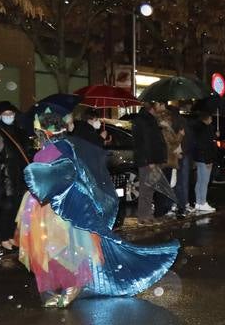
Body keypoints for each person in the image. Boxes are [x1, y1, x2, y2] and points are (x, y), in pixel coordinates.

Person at [17, 109, 179, 307]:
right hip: (43, 206)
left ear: (44, 132)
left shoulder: (61, 148)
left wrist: (40, 176)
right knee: (50, 248)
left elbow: (68, 173)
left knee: (65, 247)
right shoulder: (59, 147)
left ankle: (71, 284)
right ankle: (56, 287)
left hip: (64, 205)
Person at [0, 101, 31, 250]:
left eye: (11, 114)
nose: (9, 116)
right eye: (5, 114)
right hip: (6, 175)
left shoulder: (19, 131)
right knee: (7, 206)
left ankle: (11, 235)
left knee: (17, 206)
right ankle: (3, 237)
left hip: (20, 174)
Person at [183, 110, 217, 213]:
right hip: (205, 158)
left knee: (200, 180)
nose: (212, 120)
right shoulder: (205, 129)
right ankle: (202, 202)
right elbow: (206, 145)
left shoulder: (195, 127)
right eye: (211, 118)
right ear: (207, 119)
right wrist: (208, 160)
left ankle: (198, 202)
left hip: (198, 157)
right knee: (204, 181)